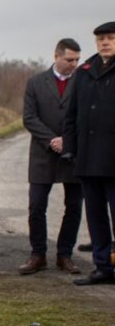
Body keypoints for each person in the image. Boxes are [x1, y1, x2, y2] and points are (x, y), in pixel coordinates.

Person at [19, 38, 83, 276]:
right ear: (56, 56)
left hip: (73, 153)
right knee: (36, 205)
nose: (73, 64)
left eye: (77, 60)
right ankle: (38, 254)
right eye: (69, 60)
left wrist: (67, 139)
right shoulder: (36, 83)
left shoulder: (82, 82)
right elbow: (29, 117)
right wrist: (52, 140)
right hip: (42, 154)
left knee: (74, 207)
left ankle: (65, 255)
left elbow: (85, 115)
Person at [64, 22, 115, 285]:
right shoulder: (85, 72)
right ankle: (103, 266)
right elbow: (72, 113)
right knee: (95, 216)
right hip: (88, 157)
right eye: (100, 39)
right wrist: (71, 148)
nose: (105, 42)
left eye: (109, 38)